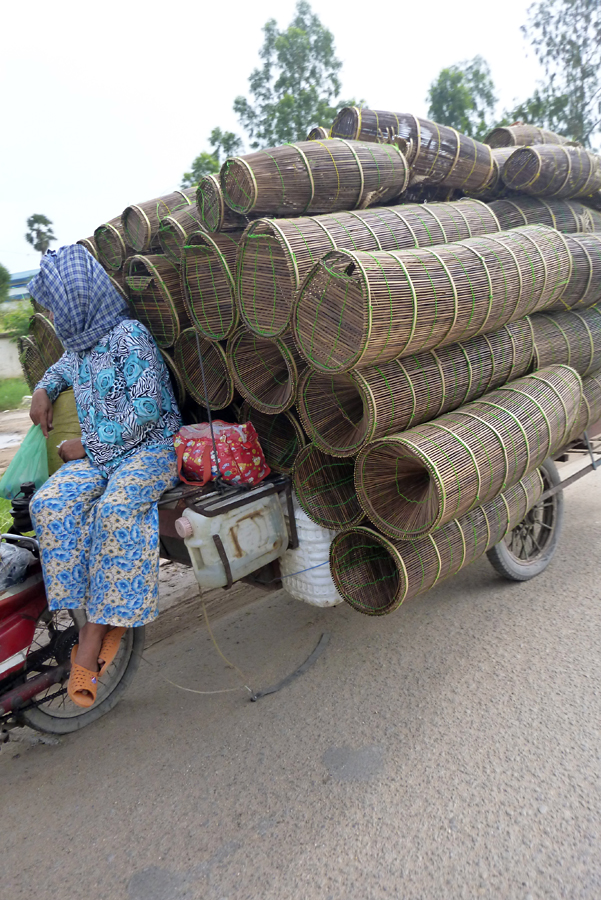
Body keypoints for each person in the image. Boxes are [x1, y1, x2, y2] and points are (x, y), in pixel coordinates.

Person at [28, 245, 182, 708]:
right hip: (105, 456)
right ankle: (99, 606)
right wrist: (41, 388)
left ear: (77, 303)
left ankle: (94, 637)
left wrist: (88, 447)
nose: (54, 316)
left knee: (115, 511)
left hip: (151, 449)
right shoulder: (79, 347)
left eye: (57, 307)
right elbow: (60, 368)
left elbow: (147, 409)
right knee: (49, 504)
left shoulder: (127, 336)